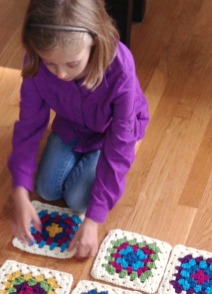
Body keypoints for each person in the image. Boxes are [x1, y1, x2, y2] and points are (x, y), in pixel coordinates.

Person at [8, 0, 149, 258]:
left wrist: (93, 222)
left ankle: (132, 142)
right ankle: (83, 156)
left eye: (72, 64)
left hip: (113, 131)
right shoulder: (37, 63)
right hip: (72, 124)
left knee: (79, 200)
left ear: (94, 41)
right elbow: (28, 127)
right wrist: (19, 191)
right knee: (46, 189)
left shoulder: (119, 68)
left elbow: (118, 146)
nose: (60, 74)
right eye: (51, 64)